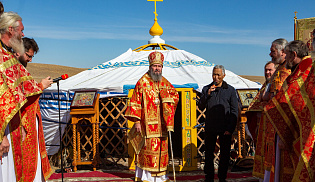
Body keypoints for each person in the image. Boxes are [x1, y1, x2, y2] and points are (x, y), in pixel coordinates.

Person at [0, 12, 42, 182]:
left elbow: (20, 94)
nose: (23, 34)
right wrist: (1, 136)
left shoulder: (8, 56)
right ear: (11, 30)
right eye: (21, 30)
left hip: (12, 129)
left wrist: (21, 126)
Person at [264, 40, 314, 181]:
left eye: (286, 54)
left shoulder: (305, 69)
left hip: (301, 128)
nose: (285, 58)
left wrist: (273, 105)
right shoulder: (300, 69)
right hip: (298, 126)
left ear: (294, 54)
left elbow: (291, 97)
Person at [125, 51, 179, 182]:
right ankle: (146, 177)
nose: (157, 69)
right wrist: (137, 122)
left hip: (162, 126)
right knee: (148, 152)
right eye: (155, 66)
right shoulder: (142, 82)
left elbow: (175, 96)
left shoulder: (165, 82)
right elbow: (135, 102)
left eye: (159, 66)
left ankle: (161, 177)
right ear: (150, 66)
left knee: (161, 152)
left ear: (162, 68)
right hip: (146, 126)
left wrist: (167, 101)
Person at [247, 38, 292, 182]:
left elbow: (276, 96)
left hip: (279, 124)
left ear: (283, 52)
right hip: (271, 123)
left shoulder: (285, 71)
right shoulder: (279, 70)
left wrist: (266, 96)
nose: (270, 54)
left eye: (273, 51)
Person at [14, 37, 53, 181]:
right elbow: (20, 95)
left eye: (32, 56)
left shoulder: (22, 70)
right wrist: (41, 86)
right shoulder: (13, 70)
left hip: (31, 121)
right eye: (28, 56)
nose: (30, 60)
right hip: (22, 123)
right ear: (18, 52)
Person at [199, 65, 238, 182]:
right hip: (211, 126)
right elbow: (200, 105)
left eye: (218, 75)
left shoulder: (230, 90)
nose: (215, 77)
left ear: (224, 76)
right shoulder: (206, 89)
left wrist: (230, 128)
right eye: (214, 74)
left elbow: (234, 110)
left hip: (225, 127)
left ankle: (222, 177)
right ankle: (209, 177)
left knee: (225, 154)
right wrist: (208, 94)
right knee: (209, 154)